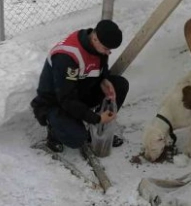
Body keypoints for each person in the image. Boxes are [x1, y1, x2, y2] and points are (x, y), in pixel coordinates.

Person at [30, 19, 129, 152]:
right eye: (106, 49)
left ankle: (96, 133)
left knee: (120, 85)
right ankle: (54, 132)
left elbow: (101, 66)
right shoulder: (67, 57)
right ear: (95, 38)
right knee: (77, 138)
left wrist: (104, 80)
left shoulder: (96, 46)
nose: (108, 53)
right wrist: (97, 118)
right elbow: (66, 99)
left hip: (79, 91)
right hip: (57, 101)